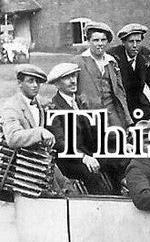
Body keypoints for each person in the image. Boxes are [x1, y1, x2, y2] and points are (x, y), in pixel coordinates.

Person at [46, 62, 116, 195]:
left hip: (88, 152)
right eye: (67, 78)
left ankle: (120, 196)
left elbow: (95, 133)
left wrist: (121, 144)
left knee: (119, 160)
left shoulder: (79, 102)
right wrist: (84, 157)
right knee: (90, 173)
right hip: (69, 159)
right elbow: (60, 143)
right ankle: (99, 206)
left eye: (74, 76)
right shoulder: (54, 107)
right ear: (56, 84)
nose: (73, 81)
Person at [109, 23, 150, 125]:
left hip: (139, 103)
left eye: (138, 41)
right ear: (123, 42)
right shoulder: (114, 57)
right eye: (131, 42)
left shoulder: (144, 56)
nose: (135, 45)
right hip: (120, 105)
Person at [74, 21, 130, 129]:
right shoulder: (78, 62)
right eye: (95, 40)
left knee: (119, 137)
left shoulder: (111, 62)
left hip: (111, 111)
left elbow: (119, 92)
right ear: (88, 41)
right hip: (89, 113)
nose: (100, 43)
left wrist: (126, 117)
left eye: (103, 40)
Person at [0, 64, 55, 151]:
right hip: (20, 160)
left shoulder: (39, 102)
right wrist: (39, 132)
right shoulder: (12, 106)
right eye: (30, 81)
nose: (35, 85)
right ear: (20, 83)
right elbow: (12, 138)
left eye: (37, 81)